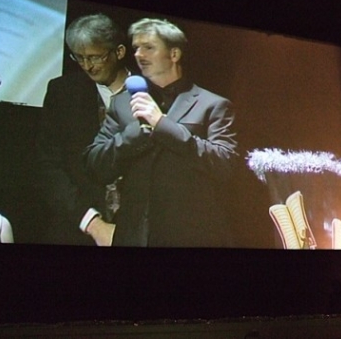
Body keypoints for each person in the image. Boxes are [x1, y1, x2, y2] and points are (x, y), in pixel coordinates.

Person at [83, 18, 239, 247]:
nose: (138, 54)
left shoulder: (212, 105)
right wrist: (134, 133)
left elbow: (225, 164)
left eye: (149, 47)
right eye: (136, 48)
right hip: (134, 236)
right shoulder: (122, 103)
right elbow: (94, 166)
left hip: (191, 237)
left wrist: (162, 125)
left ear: (174, 54)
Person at [36, 13, 131, 245]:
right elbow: (48, 166)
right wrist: (93, 223)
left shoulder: (152, 93)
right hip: (77, 230)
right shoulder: (63, 92)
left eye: (95, 57)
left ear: (119, 52)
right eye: (79, 57)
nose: (87, 66)